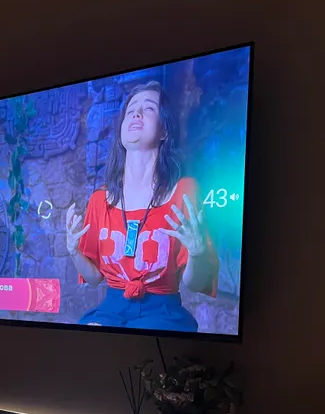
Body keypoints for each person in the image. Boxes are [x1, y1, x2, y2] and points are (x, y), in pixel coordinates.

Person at [67, 80, 219, 331]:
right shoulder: (99, 200)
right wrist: (74, 251)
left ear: (164, 130)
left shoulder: (184, 191)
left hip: (163, 311)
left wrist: (197, 252)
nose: (136, 113)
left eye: (148, 108)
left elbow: (193, 283)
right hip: (111, 309)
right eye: (131, 110)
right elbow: (93, 278)